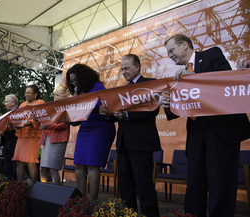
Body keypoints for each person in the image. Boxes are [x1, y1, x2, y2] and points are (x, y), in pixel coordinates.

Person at [162, 33, 250, 217]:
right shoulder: (178, 77)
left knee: (221, 184)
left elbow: (223, 83)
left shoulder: (212, 55)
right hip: (196, 134)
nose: (169, 55)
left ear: (185, 45)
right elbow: (182, 108)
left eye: (172, 50)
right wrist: (170, 106)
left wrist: (193, 77)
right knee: (195, 183)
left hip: (221, 131)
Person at [99, 54, 161, 217]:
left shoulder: (150, 84)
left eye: (126, 68)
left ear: (137, 67)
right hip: (123, 143)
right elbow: (115, 115)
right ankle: (128, 214)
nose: (124, 72)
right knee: (125, 186)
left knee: (144, 185)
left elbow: (153, 110)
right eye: (122, 69)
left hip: (142, 143)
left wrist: (126, 116)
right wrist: (107, 113)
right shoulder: (121, 89)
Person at [65, 63, 116, 199]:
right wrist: (69, 118)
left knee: (93, 165)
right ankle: (81, 199)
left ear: (83, 77)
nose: (74, 83)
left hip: (101, 128)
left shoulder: (97, 87)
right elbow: (76, 120)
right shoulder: (76, 92)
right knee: (79, 164)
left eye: (75, 79)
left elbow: (107, 104)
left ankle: (93, 200)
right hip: (85, 129)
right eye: (71, 81)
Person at [12, 84, 45, 187]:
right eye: (25, 92)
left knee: (31, 161)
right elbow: (18, 117)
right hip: (22, 136)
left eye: (29, 92)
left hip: (33, 135)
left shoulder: (40, 103)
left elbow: (39, 117)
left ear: (35, 94)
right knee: (19, 161)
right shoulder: (22, 104)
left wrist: (25, 123)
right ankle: (19, 186)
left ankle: (34, 186)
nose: (26, 94)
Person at [38, 83, 70, 185]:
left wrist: (49, 126)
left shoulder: (67, 108)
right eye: (55, 95)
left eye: (58, 95)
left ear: (65, 96)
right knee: (42, 168)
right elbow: (45, 122)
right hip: (47, 138)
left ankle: (57, 192)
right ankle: (44, 189)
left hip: (58, 140)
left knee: (53, 169)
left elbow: (64, 126)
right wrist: (38, 119)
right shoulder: (51, 107)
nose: (55, 97)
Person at [0, 94, 19, 180]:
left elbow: (15, 128)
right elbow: (1, 122)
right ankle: (6, 182)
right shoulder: (9, 113)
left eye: (6, 101)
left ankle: (14, 184)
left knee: (14, 164)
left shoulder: (18, 112)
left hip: (15, 141)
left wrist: (3, 133)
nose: (4, 104)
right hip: (7, 142)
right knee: (7, 163)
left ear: (13, 103)